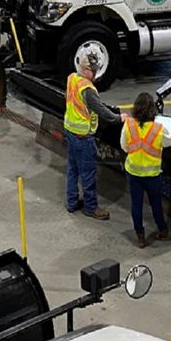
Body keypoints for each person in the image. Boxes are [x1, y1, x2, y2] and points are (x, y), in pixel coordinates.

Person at [63, 56, 118, 220]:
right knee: (88, 173)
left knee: (73, 169)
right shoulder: (87, 89)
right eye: (93, 71)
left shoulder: (72, 78)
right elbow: (102, 112)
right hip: (83, 136)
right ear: (85, 70)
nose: (95, 75)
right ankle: (91, 207)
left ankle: (72, 202)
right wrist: (119, 118)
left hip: (70, 130)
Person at [120, 92, 170, 248]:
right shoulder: (158, 129)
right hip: (152, 175)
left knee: (136, 204)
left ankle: (140, 236)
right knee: (156, 204)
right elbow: (169, 142)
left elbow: (124, 146)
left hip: (133, 173)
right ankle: (162, 230)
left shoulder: (128, 125)